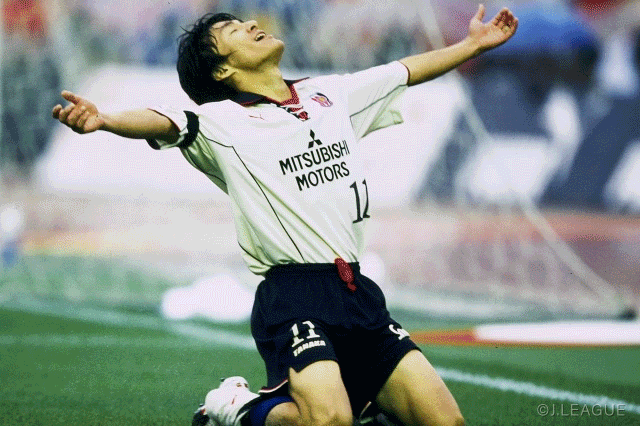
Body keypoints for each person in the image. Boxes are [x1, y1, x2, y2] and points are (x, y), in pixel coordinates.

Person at [52, 4, 518, 426]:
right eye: (233, 30)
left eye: (245, 21)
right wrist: (106, 120)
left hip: (357, 292)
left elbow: (403, 72)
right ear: (223, 69)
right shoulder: (221, 123)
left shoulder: (329, 94)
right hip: (294, 295)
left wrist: (472, 45)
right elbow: (165, 121)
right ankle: (236, 408)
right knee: (329, 421)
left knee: (446, 422)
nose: (252, 24)